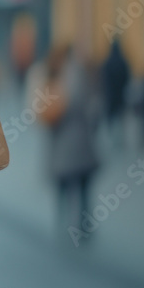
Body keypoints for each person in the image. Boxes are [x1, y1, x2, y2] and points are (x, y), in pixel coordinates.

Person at [40, 43, 99, 243]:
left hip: (67, 142)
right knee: (80, 186)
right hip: (77, 141)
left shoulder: (62, 73)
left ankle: (66, 224)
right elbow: (86, 104)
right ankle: (81, 226)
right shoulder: (76, 72)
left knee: (67, 185)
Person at [101, 39, 130, 148]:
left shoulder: (107, 62)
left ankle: (112, 140)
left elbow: (103, 79)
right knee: (121, 118)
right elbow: (127, 78)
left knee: (111, 119)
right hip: (120, 95)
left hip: (110, 95)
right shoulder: (123, 62)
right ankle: (121, 140)